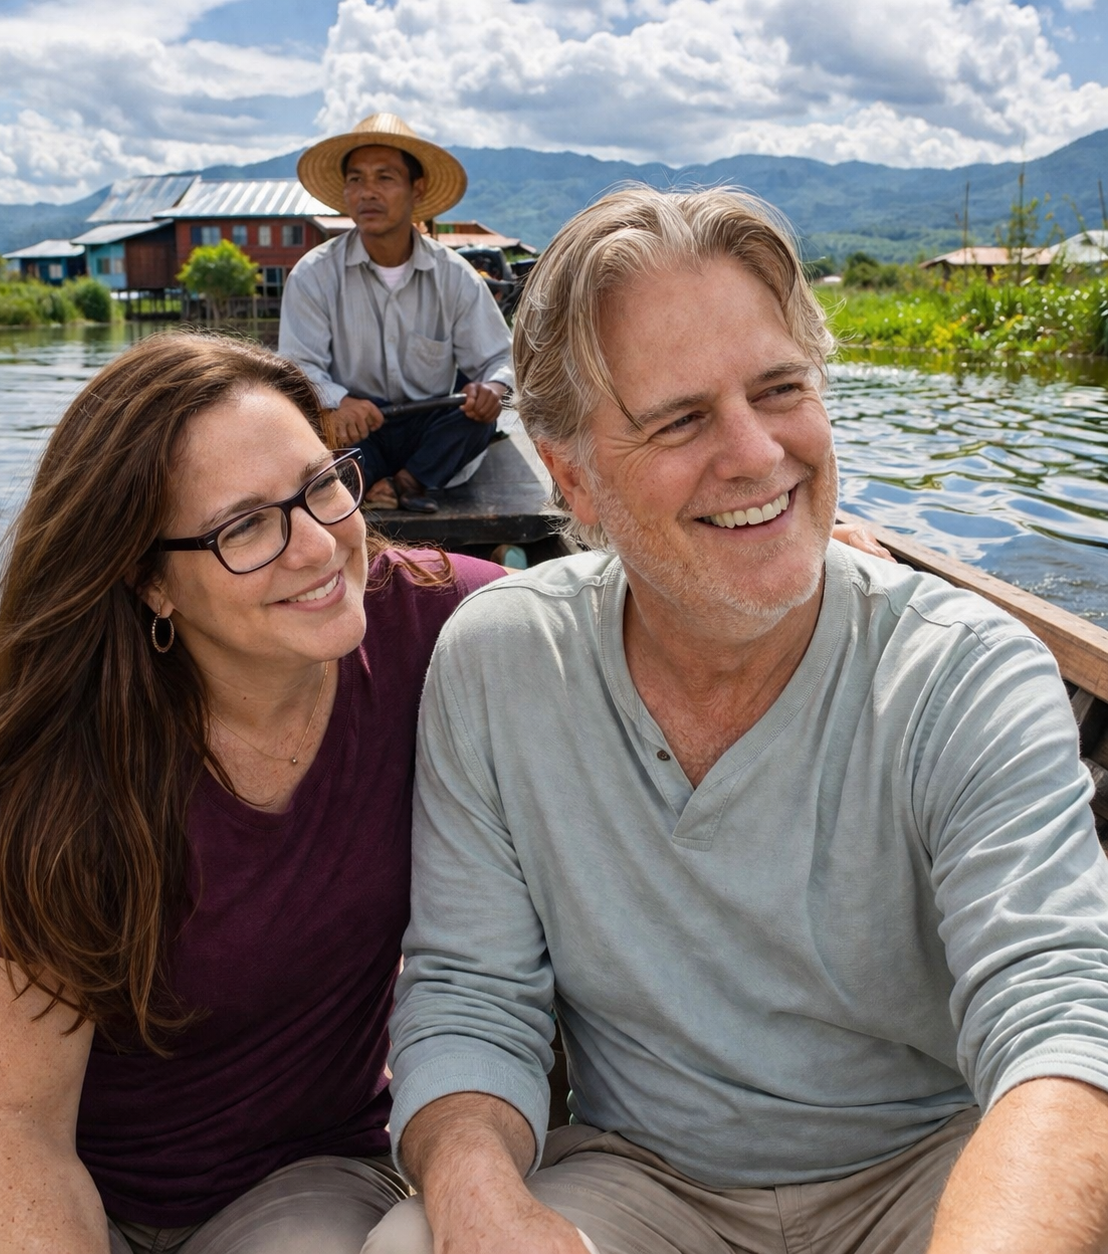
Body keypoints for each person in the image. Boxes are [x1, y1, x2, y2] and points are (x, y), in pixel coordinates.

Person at [367, 187, 1108, 1254]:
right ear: (569, 473)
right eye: (680, 420)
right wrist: (482, 1203)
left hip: (936, 1170)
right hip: (645, 1184)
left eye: (781, 389)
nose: (758, 456)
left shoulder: (964, 672)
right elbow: (472, 997)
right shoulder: (501, 662)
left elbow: (1057, 1017)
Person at [0, 331, 503, 1254]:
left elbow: (628, 620)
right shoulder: (55, 769)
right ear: (149, 581)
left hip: (304, 1169)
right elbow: (11, 1134)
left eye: (322, 482)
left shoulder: (443, 628)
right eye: (244, 527)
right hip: (12, 1159)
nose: (319, 546)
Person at [281, 112, 514, 514]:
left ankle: (404, 482)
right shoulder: (314, 274)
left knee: (476, 419)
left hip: (428, 424)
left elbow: (499, 358)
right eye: (356, 179)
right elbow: (298, 368)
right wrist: (339, 402)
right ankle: (375, 480)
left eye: (384, 178)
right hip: (357, 427)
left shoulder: (452, 274)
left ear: (416, 189)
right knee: (317, 425)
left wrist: (490, 390)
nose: (367, 192)